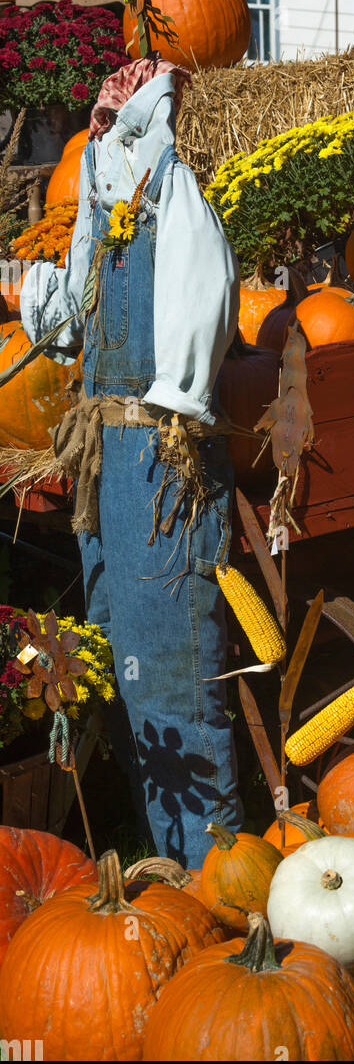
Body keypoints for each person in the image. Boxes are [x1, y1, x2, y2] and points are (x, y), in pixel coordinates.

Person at [19, 54, 243, 868]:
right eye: (103, 130)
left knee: (172, 664)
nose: (106, 144)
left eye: (122, 129)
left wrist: (176, 397)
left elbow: (204, 294)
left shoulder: (175, 202)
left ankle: (214, 871)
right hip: (106, 444)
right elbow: (75, 317)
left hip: (158, 446)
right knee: (115, 641)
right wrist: (44, 303)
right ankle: (160, 847)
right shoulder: (109, 209)